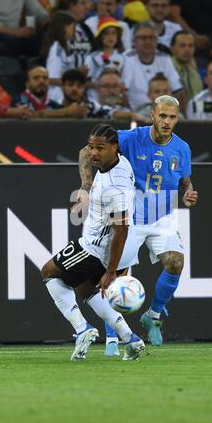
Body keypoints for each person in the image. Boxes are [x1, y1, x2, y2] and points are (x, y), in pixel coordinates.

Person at [75, 95, 198, 354]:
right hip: (129, 219)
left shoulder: (182, 148)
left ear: (177, 118)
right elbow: (87, 151)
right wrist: (86, 187)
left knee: (176, 262)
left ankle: (153, 316)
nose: (166, 122)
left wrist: (188, 191)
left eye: (172, 117)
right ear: (152, 114)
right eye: (162, 116)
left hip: (161, 217)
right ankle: (112, 338)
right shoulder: (130, 138)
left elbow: (185, 179)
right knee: (116, 275)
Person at [41, 123, 146, 361]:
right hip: (109, 246)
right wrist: (86, 188)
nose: (94, 153)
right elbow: (84, 155)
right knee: (84, 288)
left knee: (48, 272)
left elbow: (121, 230)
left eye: (100, 148)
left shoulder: (114, 186)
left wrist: (110, 271)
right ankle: (129, 337)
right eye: (91, 147)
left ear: (115, 148)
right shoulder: (120, 163)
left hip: (97, 248)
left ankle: (82, 329)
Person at [122, 21, 187, 114]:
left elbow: (179, 91)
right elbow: (122, 92)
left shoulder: (164, 58)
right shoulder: (127, 59)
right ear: (134, 41)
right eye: (143, 38)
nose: (148, 41)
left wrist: (184, 119)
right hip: (137, 113)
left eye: (151, 38)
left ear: (157, 41)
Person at [85, 17, 124, 100]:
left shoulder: (123, 58)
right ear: (100, 36)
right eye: (106, 33)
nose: (111, 37)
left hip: (115, 101)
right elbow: (84, 82)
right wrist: (101, 85)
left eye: (114, 33)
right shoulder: (92, 57)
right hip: (95, 100)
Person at [41, 11, 77, 103]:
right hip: (56, 97)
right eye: (72, 28)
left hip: (65, 94)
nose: (74, 31)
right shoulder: (56, 49)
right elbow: (52, 78)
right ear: (64, 28)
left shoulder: (66, 47)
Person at [171, 31, 203, 102]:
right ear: (172, 49)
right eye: (182, 46)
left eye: (190, 46)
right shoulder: (167, 70)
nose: (187, 49)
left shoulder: (195, 75)